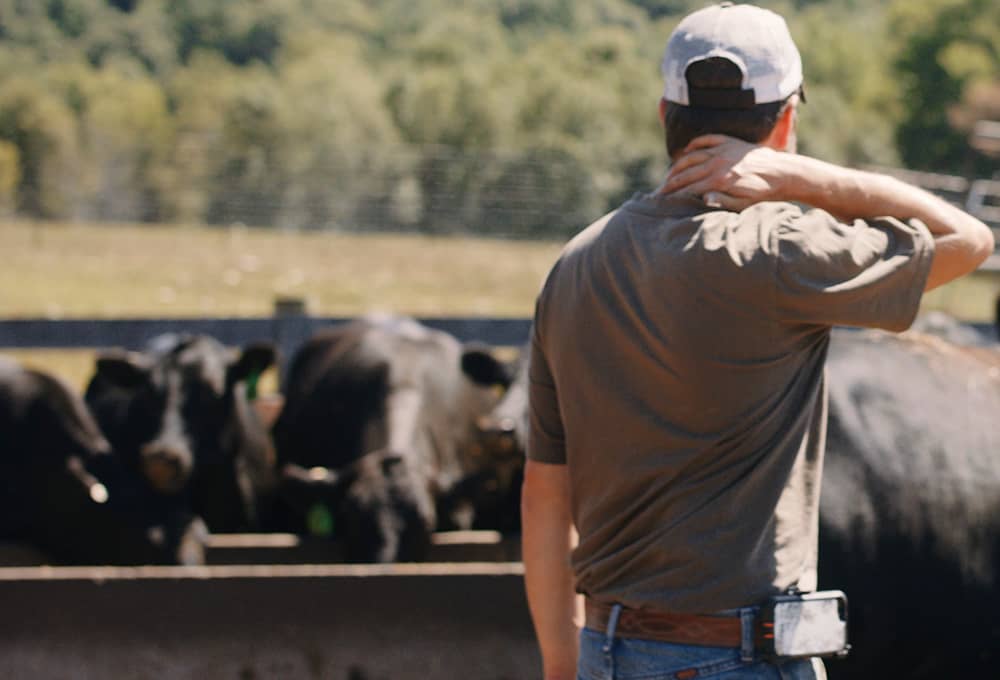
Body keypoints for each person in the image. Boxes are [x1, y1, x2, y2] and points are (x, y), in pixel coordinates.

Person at [520, 3, 994, 680]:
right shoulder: (778, 251)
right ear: (787, 120)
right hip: (741, 656)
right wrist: (803, 179)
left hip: (607, 648)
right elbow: (970, 241)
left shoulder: (575, 265)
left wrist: (566, 667)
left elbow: (544, 495)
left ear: (665, 116)